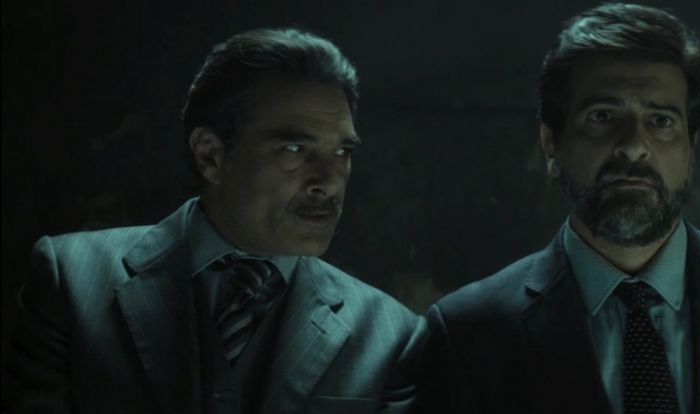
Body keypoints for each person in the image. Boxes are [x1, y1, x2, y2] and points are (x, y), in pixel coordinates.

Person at [412, 4, 700, 414]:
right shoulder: (468, 335)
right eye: (603, 117)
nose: (633, 146)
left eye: (660, 121)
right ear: (551, 144)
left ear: (691, 146)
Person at [5, 28, 419, 414]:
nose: (328, 182)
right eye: (294, 149)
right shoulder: (71, 280)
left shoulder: (391, 334)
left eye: (343, 152)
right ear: (211, 155)